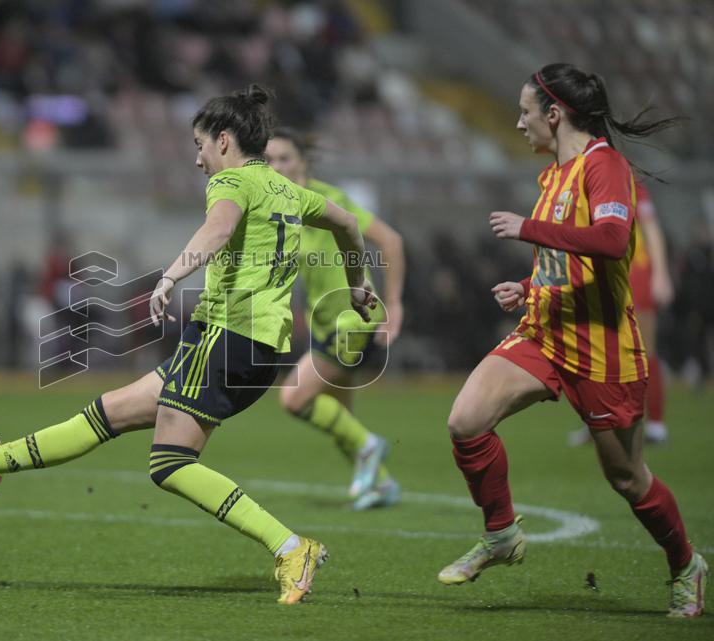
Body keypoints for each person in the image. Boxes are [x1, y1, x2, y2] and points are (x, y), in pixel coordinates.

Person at [0, 85, 377, 604]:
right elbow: (347, 223)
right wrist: (357, 283)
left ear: (224, 140)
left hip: (228, 337)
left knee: (170, 463)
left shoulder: (231, 181)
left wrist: (170, 277)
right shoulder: (287, 190)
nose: (198, 159)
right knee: (104, 415)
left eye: (199, 145)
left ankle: (291, 547)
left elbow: (217, 230)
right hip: (253, 344)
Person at [437, 63, 706, 618]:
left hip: (601, 348)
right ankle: (501, 534)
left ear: (555, 114)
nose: (519, 123)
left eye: (525, 112)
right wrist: (528, 285)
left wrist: (526, 228)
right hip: (544, 331)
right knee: (465, 421)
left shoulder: (604, 165)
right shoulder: (552, 175)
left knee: (627, 478)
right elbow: (565, 260)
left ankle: (686, 565)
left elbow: (611, 240)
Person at [265, 128, 405, 510]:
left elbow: (390, 240)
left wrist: (395, 304)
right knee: (341, 416)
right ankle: (380, 485)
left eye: (284, 158)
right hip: (325, 322)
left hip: (353, 320)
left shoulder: (329, 200)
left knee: (294, 397)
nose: (276, 166)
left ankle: (369, 446)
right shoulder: (279, 209)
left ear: (303, 161)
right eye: (269, 160)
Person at [567, 180, 674, 446]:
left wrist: (660, 274)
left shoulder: (629, 184)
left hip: (635, 273)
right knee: (600, 352)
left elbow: (651, 228)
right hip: (603, 276)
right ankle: (601, 422)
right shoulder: (587, 183)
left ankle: (656, 424)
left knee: (645, 350)